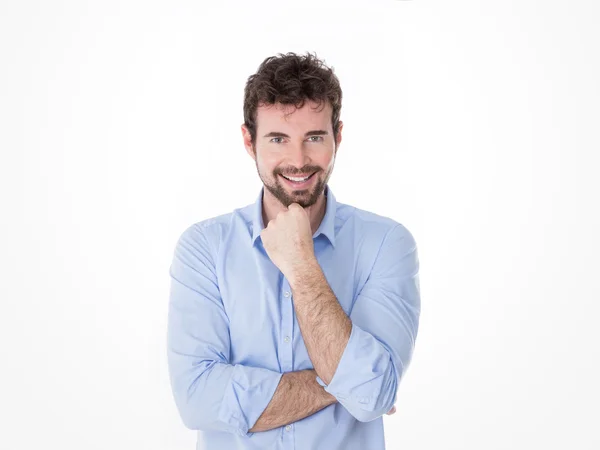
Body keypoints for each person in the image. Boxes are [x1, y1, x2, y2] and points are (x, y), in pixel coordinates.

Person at [167, 51, 421, 450]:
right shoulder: (204, 249)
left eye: (314, 138)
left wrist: (302, 265)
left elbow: (372, 396)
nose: (298, 161)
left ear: (338, 135)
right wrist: (342, 383)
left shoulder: (387, 245)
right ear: (249, 141)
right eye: (278, 139)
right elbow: (196, 398)